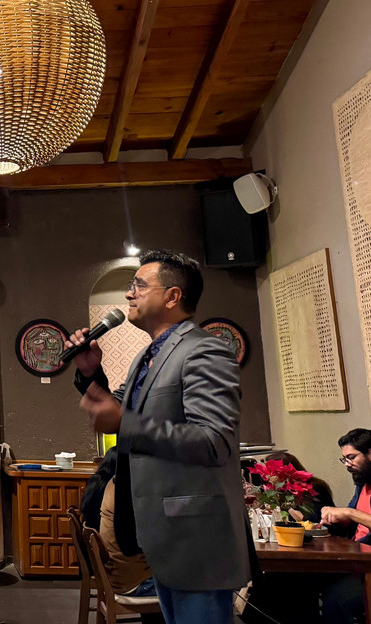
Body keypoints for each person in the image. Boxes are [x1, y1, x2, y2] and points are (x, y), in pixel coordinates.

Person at [70, 249, 248, 624]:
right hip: (161, 537)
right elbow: (117, 407)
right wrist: (90, 373)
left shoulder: (204, 350)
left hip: (194, 539)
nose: (129, 294)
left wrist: (125, 423)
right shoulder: (147, 356)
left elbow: (213, 441)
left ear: (172, 296)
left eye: (138, 285)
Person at [317, 429, 371, 622]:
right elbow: (350, 518)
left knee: (337, 598)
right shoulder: (364, 484)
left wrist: (350, 513)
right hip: (358, 559)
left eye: (351, 458)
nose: (347, 465)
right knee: (297, 582)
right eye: (345, 459)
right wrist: (334, 516)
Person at [81, 449, 156, 599]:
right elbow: (135, 544)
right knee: (194, 587)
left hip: (116, 573)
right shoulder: (125, 495)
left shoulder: (113, 484)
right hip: (133, 582)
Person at [265, 451, 334, 522]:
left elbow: (310, 521)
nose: (268, 475)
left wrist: (283, 502)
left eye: (271, 471)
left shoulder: (314, 488)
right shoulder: (282, 490)